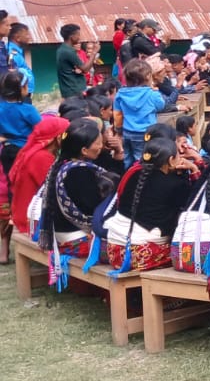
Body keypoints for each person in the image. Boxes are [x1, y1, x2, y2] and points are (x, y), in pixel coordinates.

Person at [103, 137, 199, 272]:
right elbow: (192, 204)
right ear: (171, 160)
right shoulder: (174, 184)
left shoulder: (132, 173)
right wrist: (194, 169)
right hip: (141, 255)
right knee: (187, 255)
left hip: (114, 252)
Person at [35, 118, 114, 275]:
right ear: (84, 150)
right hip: (76, 240)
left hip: (62, 233)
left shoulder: (61, 165)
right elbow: (93, 209)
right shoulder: (79, 173)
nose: (101, 145)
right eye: (98, 142)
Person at [0, 71, 41, 173]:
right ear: (22, 89)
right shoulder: (28, 109)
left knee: (11, 179)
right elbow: (41, 127)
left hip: (6, 150)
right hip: (24, 150)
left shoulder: (1, 108)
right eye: (26, 85)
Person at [56, 24, 93, 99]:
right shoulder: (68, 51)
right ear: (71, 37)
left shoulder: (61, 49)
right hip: (74, 90)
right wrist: (94, 53)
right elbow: (85, 69)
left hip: (69, 90)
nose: (79, 37)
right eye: (78, 35)